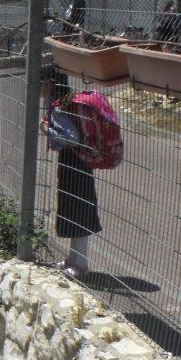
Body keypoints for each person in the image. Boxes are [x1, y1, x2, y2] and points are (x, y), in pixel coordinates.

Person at [43, 67, 102, 277]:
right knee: (74, 210)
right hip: (78, 161)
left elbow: (71, 138)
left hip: (75, 160)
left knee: (78, 211)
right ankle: (73, 259)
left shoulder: (59, 107)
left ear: (50, 84)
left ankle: (81, 265)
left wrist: (46, 130)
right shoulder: (65, 102)